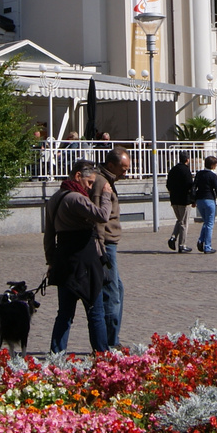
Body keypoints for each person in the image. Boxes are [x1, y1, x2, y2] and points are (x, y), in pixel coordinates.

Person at [44, 160, 109, 353]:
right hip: (85, 262)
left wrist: (51, 261)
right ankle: (103, 354)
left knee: (64, 313)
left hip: (64, 261)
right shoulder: (76, 199)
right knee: (95, 312)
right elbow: (102, 216)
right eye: (89, 183)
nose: (90, 188)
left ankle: (56, 353)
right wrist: (105, 194)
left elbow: (49, 236)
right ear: (78, 176)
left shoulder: (55, 198)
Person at [86, 148, 129, 348]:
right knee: (112, 294)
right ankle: (110, 343)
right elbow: (97, 217)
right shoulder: (102, 183)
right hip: (105, 245)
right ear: (111, 165)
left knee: (117, 289)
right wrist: (100, 247)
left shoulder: (108, 180)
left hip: (110, 243)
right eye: (123, 168)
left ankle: (112, 340)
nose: (126, 172)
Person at [193, 155, 217, 253]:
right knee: (210, 224)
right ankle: (207, 246)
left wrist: (193, 200)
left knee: (206, 222)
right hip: (209, 200)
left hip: (199, 200)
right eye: (215, 164)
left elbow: (194, 187)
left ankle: (201, 240)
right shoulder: (212, 176)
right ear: (212, 165)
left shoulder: (199, 174)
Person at [165, 152, 195, 252]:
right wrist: (193, 199)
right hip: (184, 200)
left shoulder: (173, 170)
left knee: (180, 220)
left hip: (174, 199)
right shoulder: (186, 170)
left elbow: (168, 184)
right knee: (184, 223)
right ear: (187, 160)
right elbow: (190, 185)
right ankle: (182, 245)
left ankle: (173, 237)